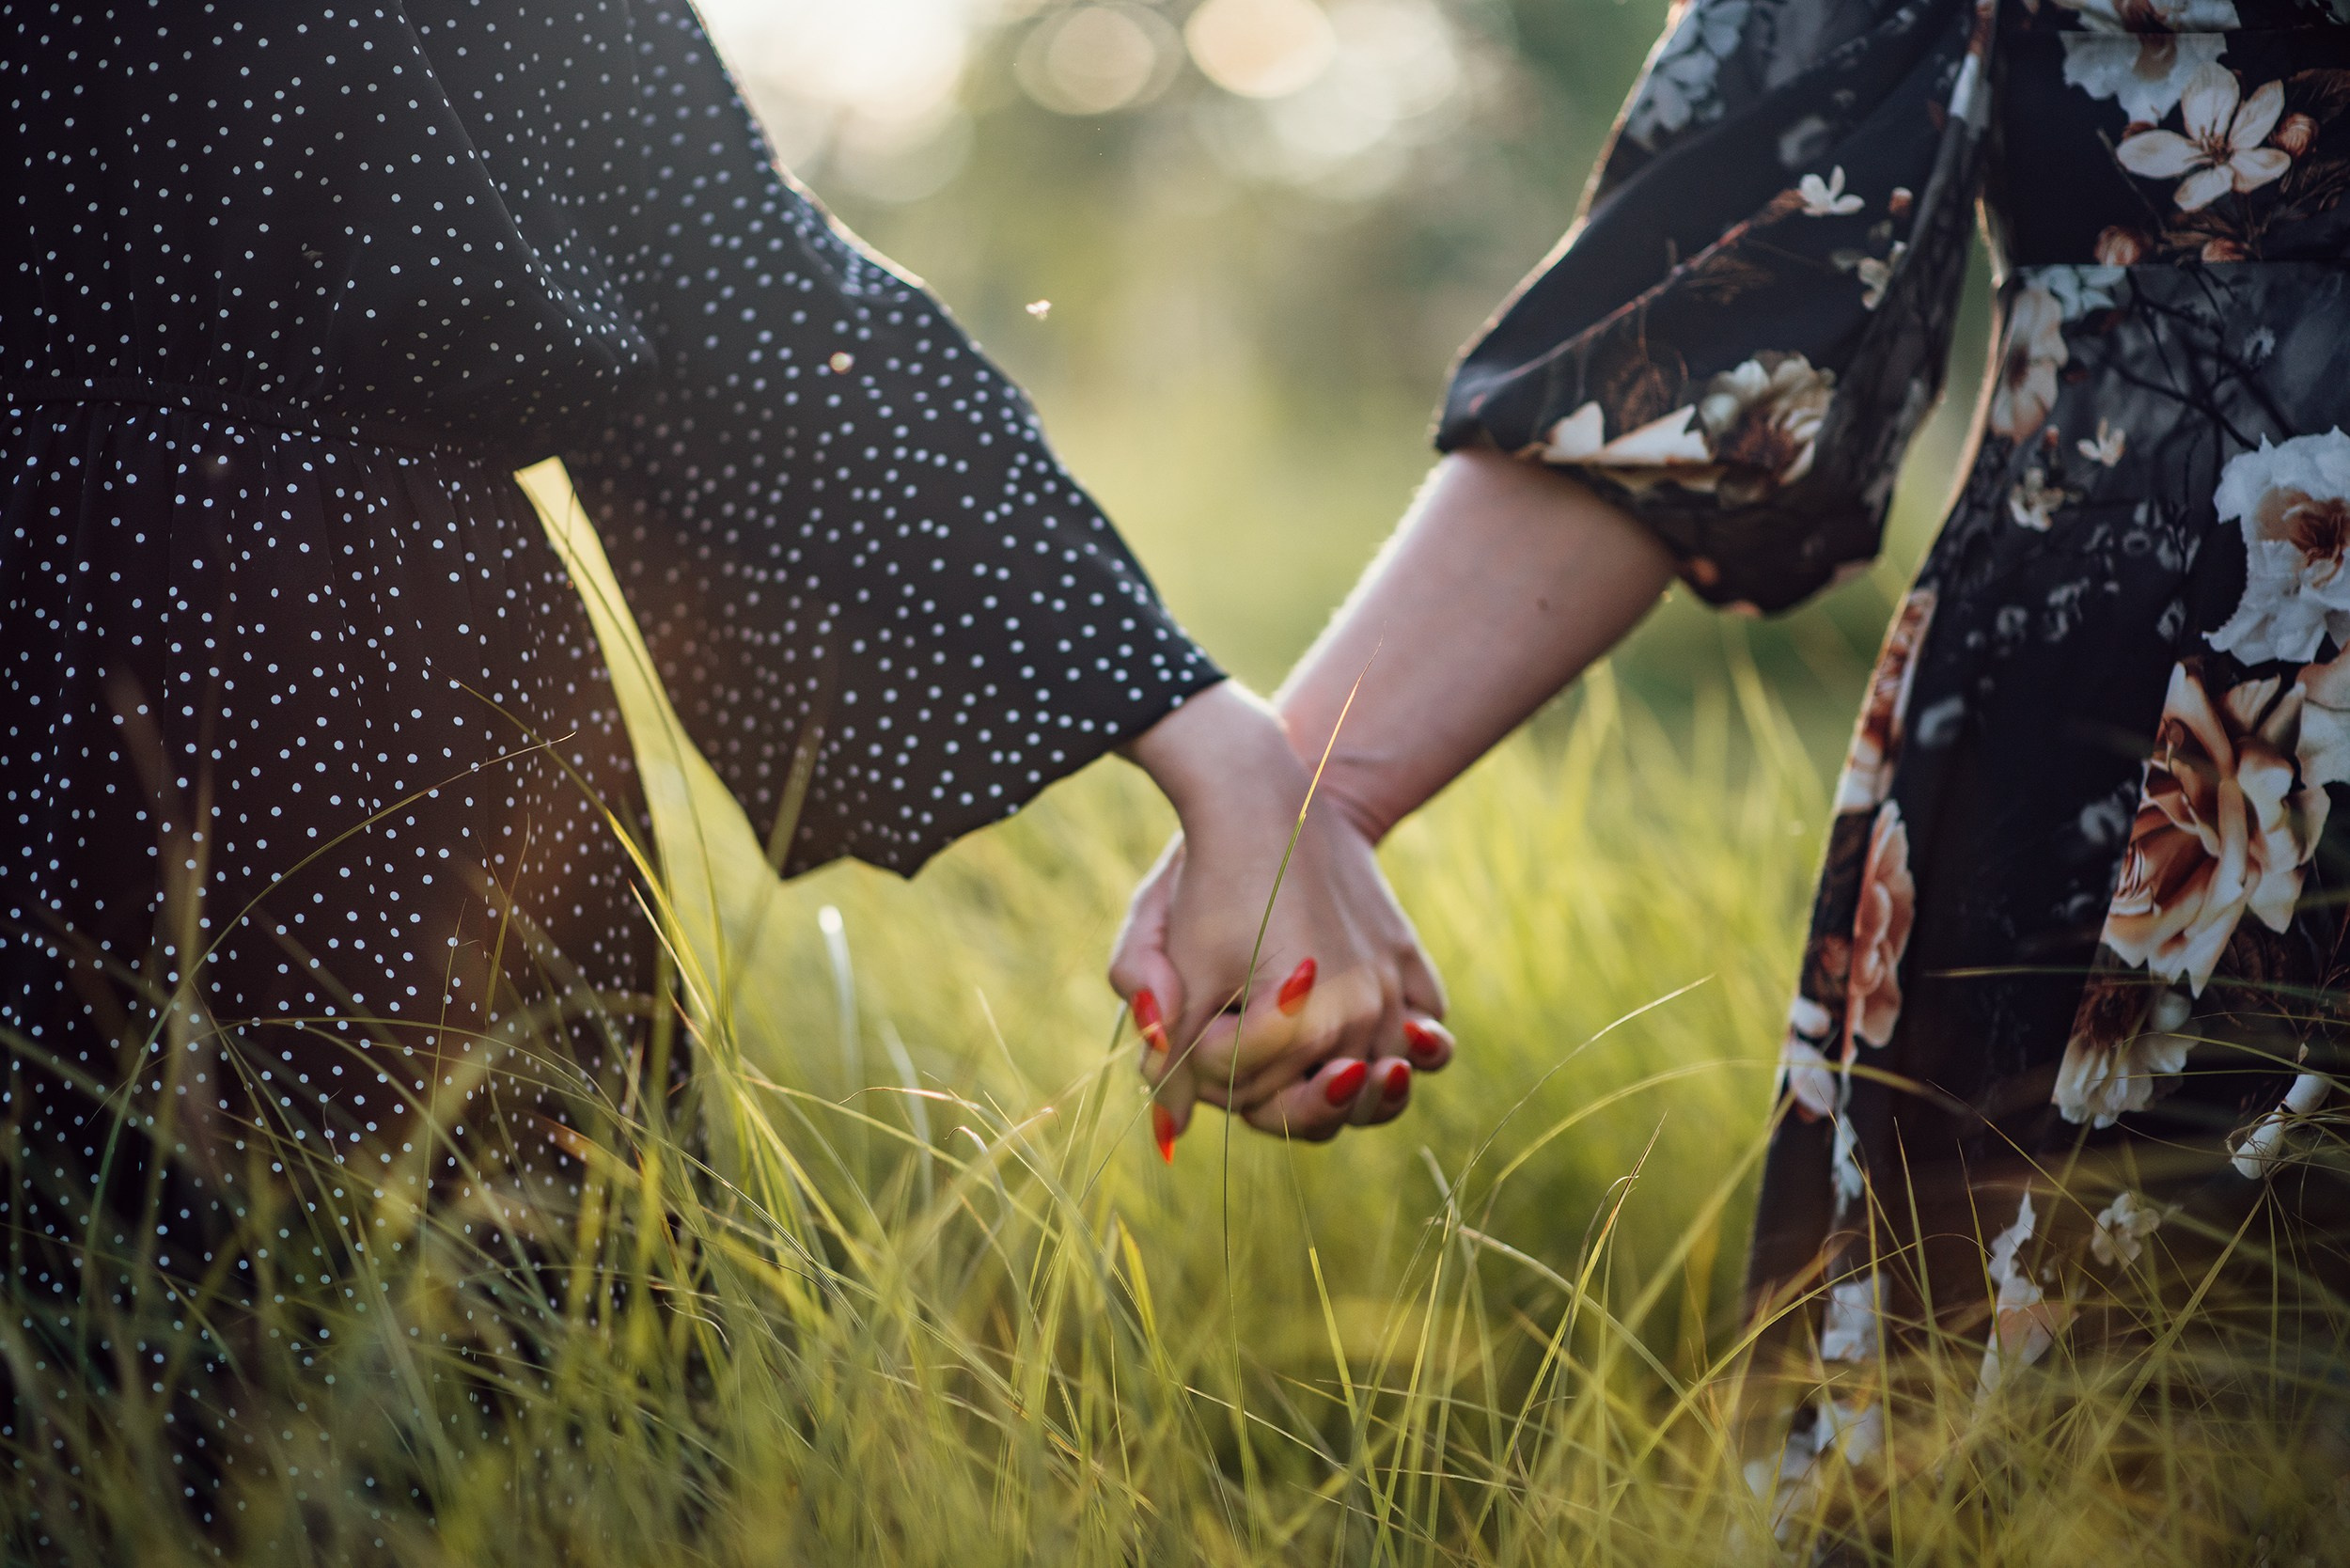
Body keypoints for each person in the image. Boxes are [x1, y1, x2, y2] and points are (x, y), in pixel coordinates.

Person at [0, 0, 1443, 1524]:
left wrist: (1220, 748)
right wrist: (1217, 749)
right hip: (349, 690)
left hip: (362, 733)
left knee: (419, 1411)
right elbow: (716, 270)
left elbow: (708, 270)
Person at [1120, 0, 2350, 1493]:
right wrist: (1296, 803)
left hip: (2185, 688)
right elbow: (1712, 312)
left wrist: (1292, 808)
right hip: (2191, 716)